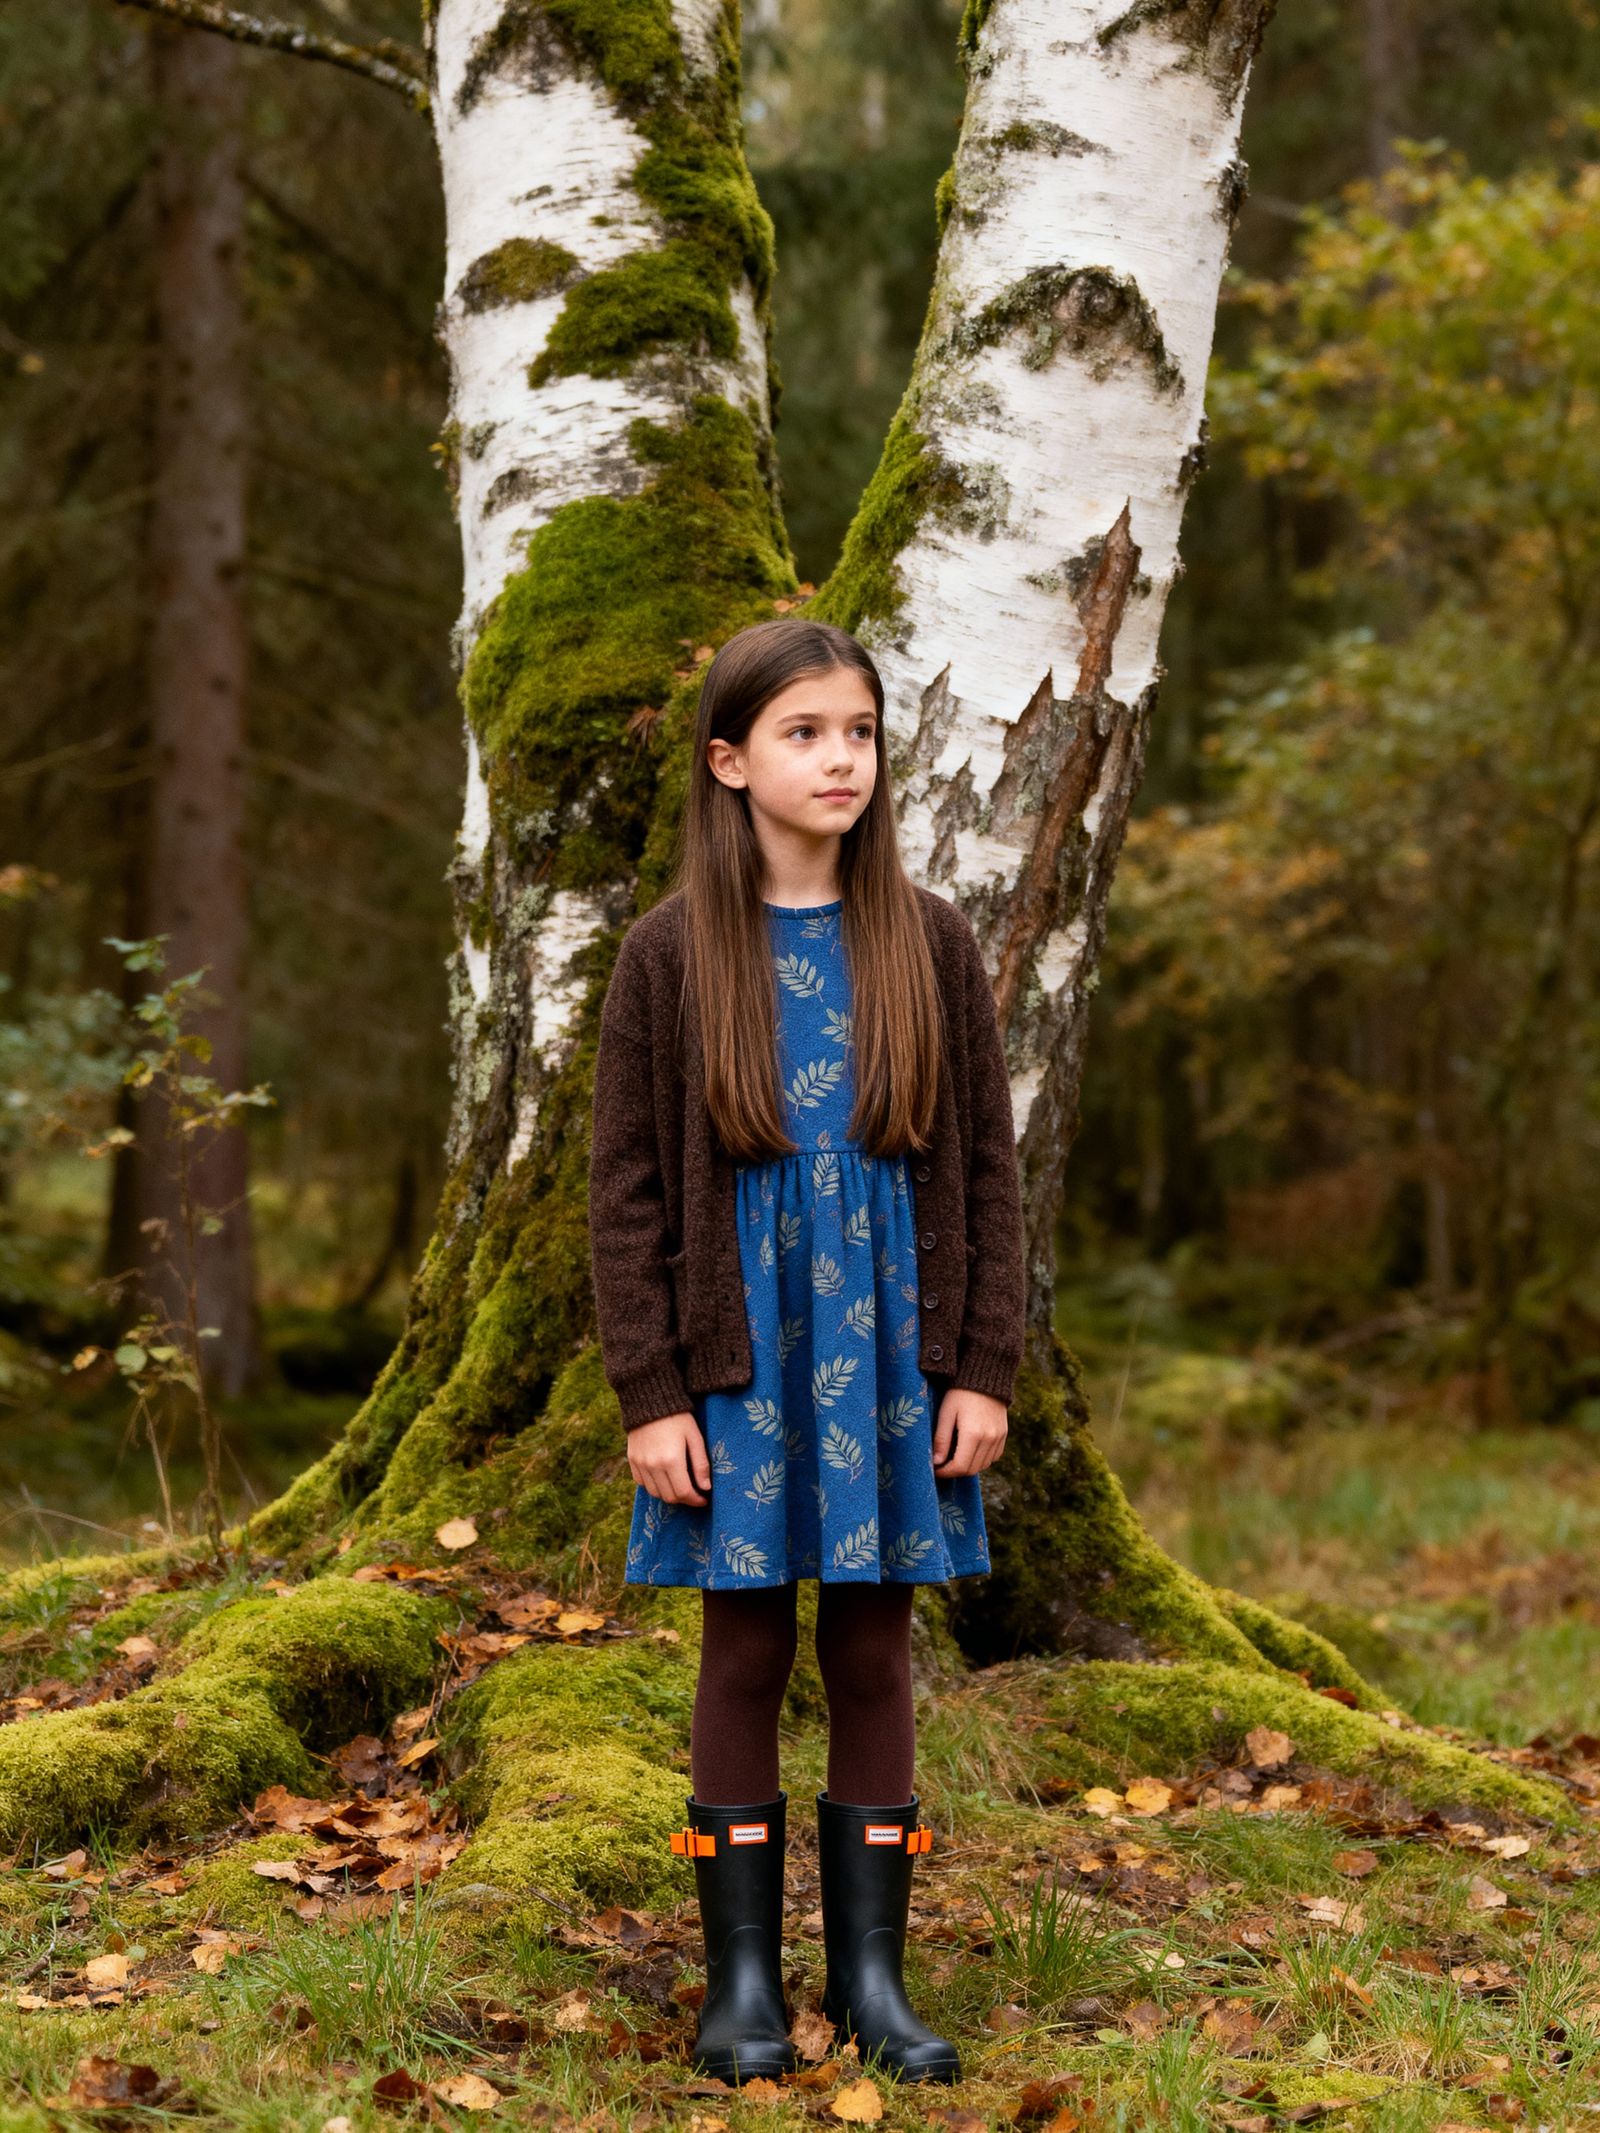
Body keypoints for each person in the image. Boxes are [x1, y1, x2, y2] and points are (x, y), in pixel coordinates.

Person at [587, 616, 1028, 2087]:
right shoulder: (668, 956)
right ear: (729, 762)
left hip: (893, 1354)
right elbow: (626, 1193)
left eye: (860, 732)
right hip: (740, 1359)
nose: (842, 758)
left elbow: (985, 1173)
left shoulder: (930, 940)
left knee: (873, 1645)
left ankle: (874, 1978)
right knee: (746, 1646)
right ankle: (740, 1987)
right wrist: (652, 1391)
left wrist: (982, 1367)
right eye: (805, 733)